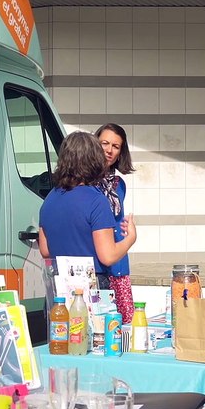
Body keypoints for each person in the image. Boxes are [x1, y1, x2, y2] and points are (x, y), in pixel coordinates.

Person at [37, 131, 137, 289]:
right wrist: (130, 238)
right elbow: (108, 256)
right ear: (94, 160)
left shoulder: (50, 199)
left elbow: (45, 250)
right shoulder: (96, 201)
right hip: (91, 287)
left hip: (60, 286)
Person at [95, 123, 138, 322]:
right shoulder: (85, 183)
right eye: (104, 143)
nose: (109, 150)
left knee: (125, 326)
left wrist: (127, 229)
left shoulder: (119, 184)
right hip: (97, 265)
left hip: (119, 264)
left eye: (115, 146)